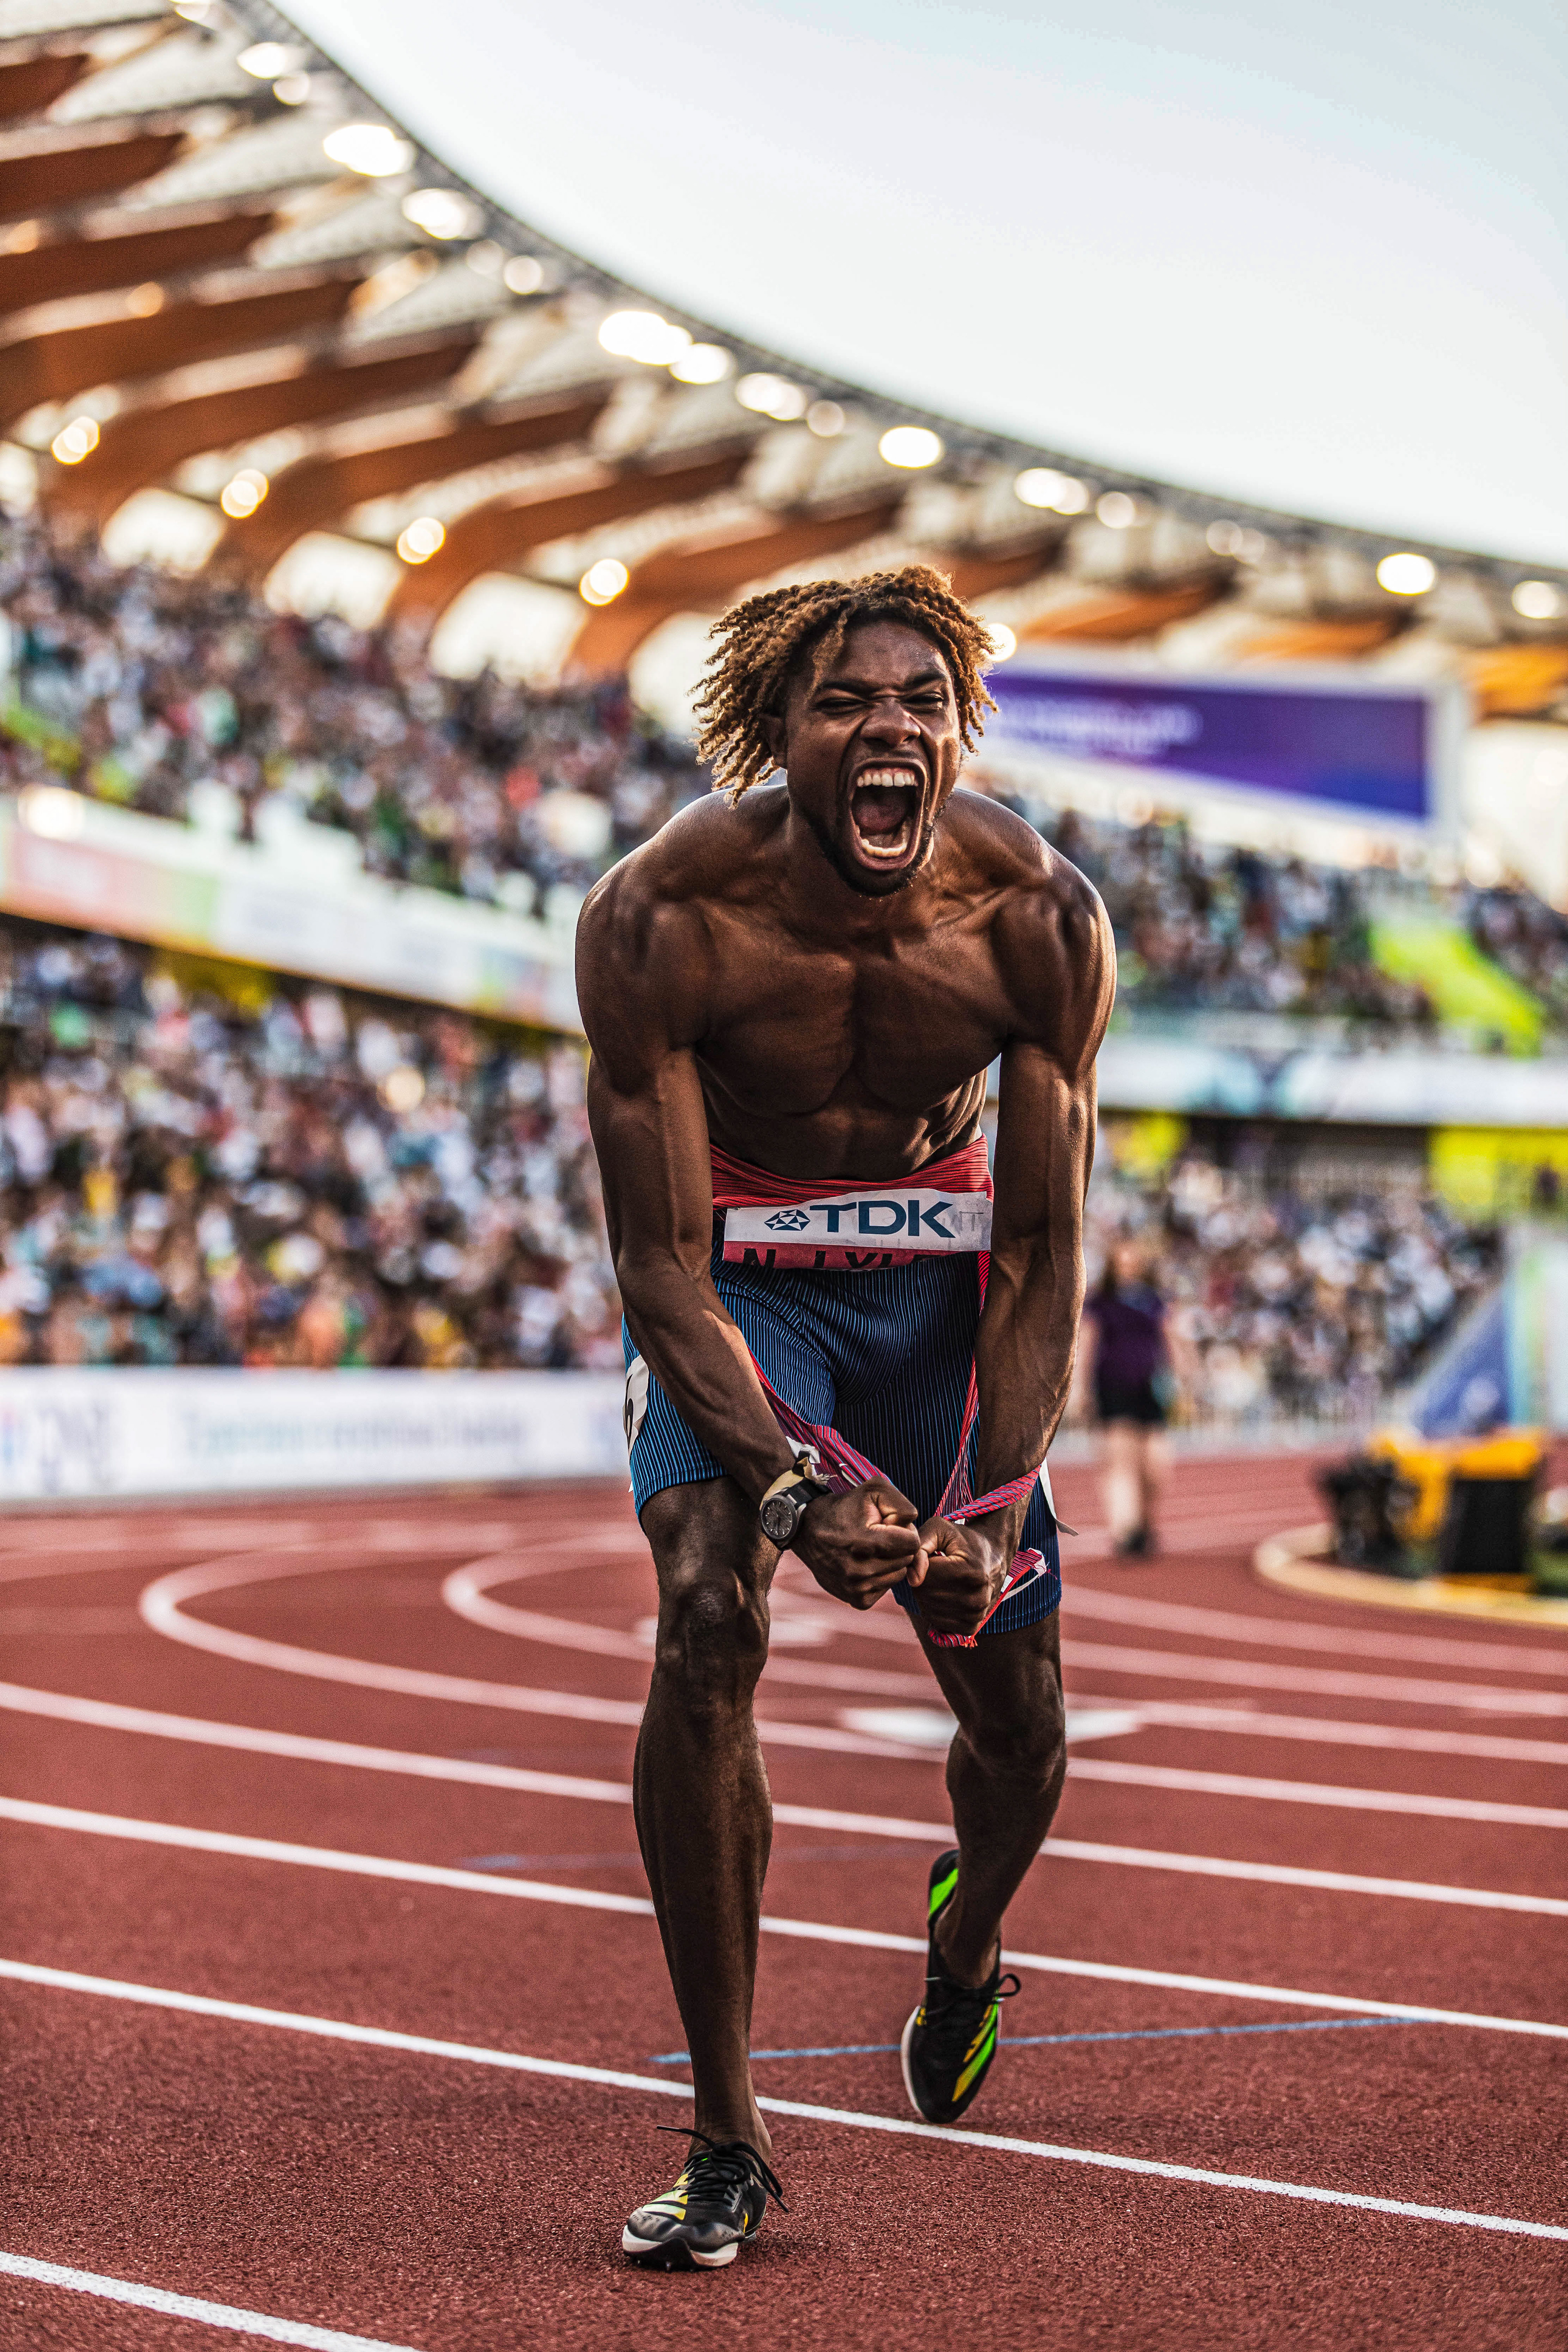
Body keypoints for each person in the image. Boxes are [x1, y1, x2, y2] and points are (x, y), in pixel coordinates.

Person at [578, 567, 1114, 2270]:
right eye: (846, 704)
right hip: (749, 1289)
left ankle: (965, 1948)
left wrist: (999, 1499)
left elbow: (1040, 1244)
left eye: (922, 706)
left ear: (955, 737)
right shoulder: (661, 918)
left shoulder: (1038, 917)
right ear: (780, 736)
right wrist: (794, 1486)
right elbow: (660, 1267)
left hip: (940, 1294)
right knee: (708, 1611)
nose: (890, 730)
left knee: (1021, 1723)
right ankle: (729, 2134)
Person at [1079, 1238, 1179, 1556]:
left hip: (1151, 1387)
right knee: (1120, 1462)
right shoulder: (1101, 1302)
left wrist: (1183, 1378)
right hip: (1113, 1385)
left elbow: (1170, 1338)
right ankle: (1125, 1532)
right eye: (1122, 1264)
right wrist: (1081, 1389)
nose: (1128, 1270)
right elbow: (1089, 1343)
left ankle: (1145, 1524)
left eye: (1133, 1264)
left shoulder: (1154, 1300)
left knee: (1156, 1464)